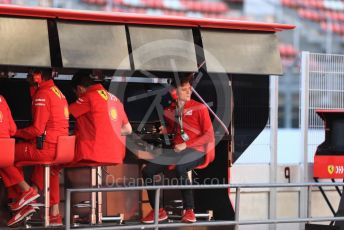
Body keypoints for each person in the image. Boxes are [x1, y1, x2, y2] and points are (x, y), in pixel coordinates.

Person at [141, 75, 215, 224]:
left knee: (181, 167)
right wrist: (165, 130)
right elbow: (175, 128)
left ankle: (189, 211)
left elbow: (209, 135)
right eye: (184, 89)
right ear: (175, 92)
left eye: (190, 89)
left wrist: (185, 145)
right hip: (177, 151)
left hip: (197, 150)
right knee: (147, 170)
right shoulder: (171, 110)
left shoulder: (200, 107)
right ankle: (158, 211)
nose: (189, 92)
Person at [0, 70, 69, 226]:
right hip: (61, 149)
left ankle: (25, 195)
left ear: (38, 77)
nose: (27, 78)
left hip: (47, 148)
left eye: (30, 75)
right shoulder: (57, 91)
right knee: (51, 170)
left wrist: (18, 133)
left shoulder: (43, 93)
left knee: (7, 154)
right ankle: (54, 214)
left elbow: (37, 130)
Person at [69, 72, 132, 165]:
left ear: (80, 89)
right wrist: (108, 133)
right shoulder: (116, 99)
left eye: (76, 93)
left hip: (92, 153)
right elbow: (128, 129)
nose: (77, 96)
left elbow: (64, 115)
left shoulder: (88, 97)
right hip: (115, 153)